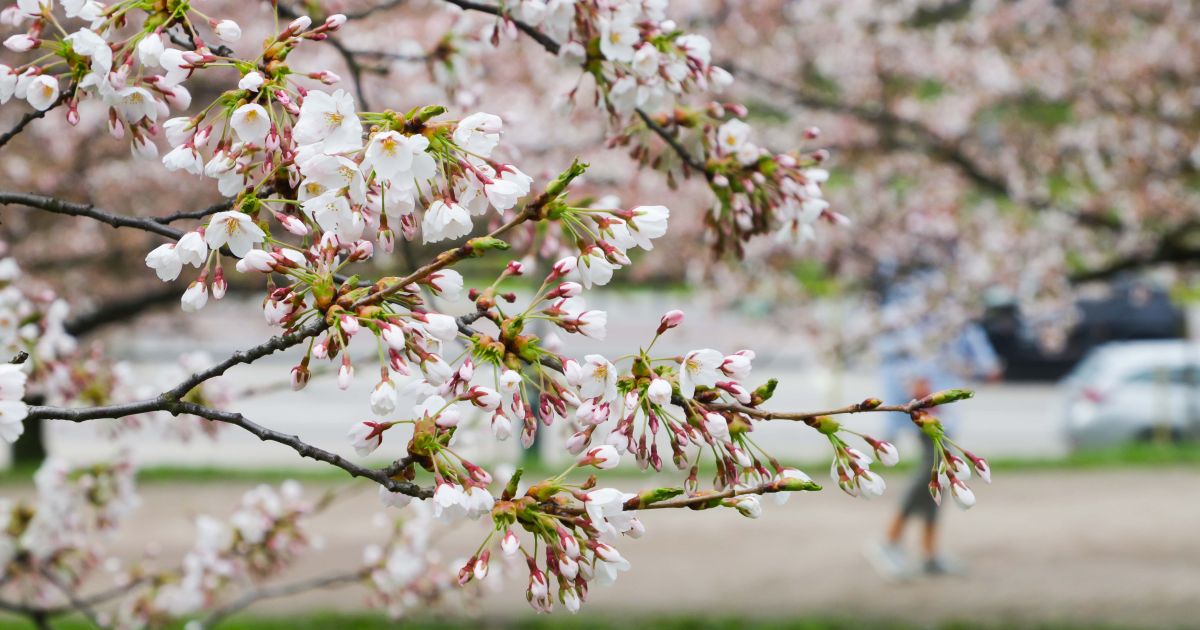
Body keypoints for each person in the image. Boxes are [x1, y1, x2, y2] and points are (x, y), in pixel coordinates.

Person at [865, 280, 1002, 580]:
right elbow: (905, 361)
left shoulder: (957, 322)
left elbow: (986, 362)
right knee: (932, 469)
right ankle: (889, 540)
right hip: (925, 410)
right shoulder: (916, 319)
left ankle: (928, 551)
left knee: (938, 476)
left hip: (946, 411)